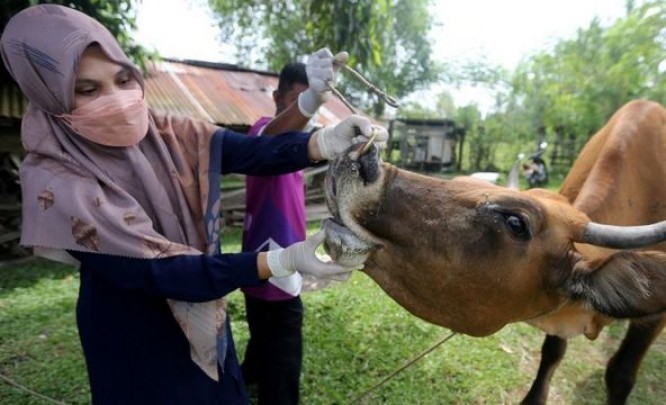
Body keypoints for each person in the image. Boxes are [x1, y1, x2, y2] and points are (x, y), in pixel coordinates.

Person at [0, 4, 387, 405]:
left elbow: (251, 151)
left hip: (204, 312)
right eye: (88, 90)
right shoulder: (57, 182)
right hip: (134, 336)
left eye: (122, 79)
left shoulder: (167, 131)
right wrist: (279, 262)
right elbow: (161, 272)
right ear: (49, 94)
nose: (117, 100)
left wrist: (323, 141)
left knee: (221, 387)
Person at [239, 62, 314, 404]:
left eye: (311, 101)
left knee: (264, 331)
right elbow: (268, 143)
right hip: (272, 261)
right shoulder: (262, 130)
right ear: (278, 98)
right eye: (298, 100)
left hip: (272, 260)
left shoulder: (299, 145)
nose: (304, 109)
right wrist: (310, 105)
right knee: (284, 348)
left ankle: (249, 375)